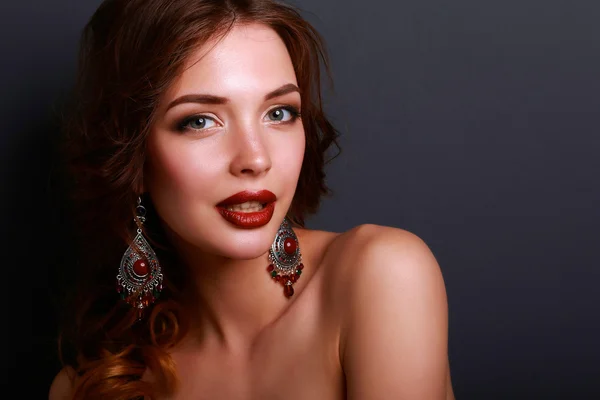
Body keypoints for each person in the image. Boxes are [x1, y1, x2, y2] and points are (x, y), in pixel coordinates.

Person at [49, 0, 455, 399]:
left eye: (279, 113)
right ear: (132, 159)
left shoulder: (382, 276)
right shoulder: (93, 386)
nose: (255, 159)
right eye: (200, 121)